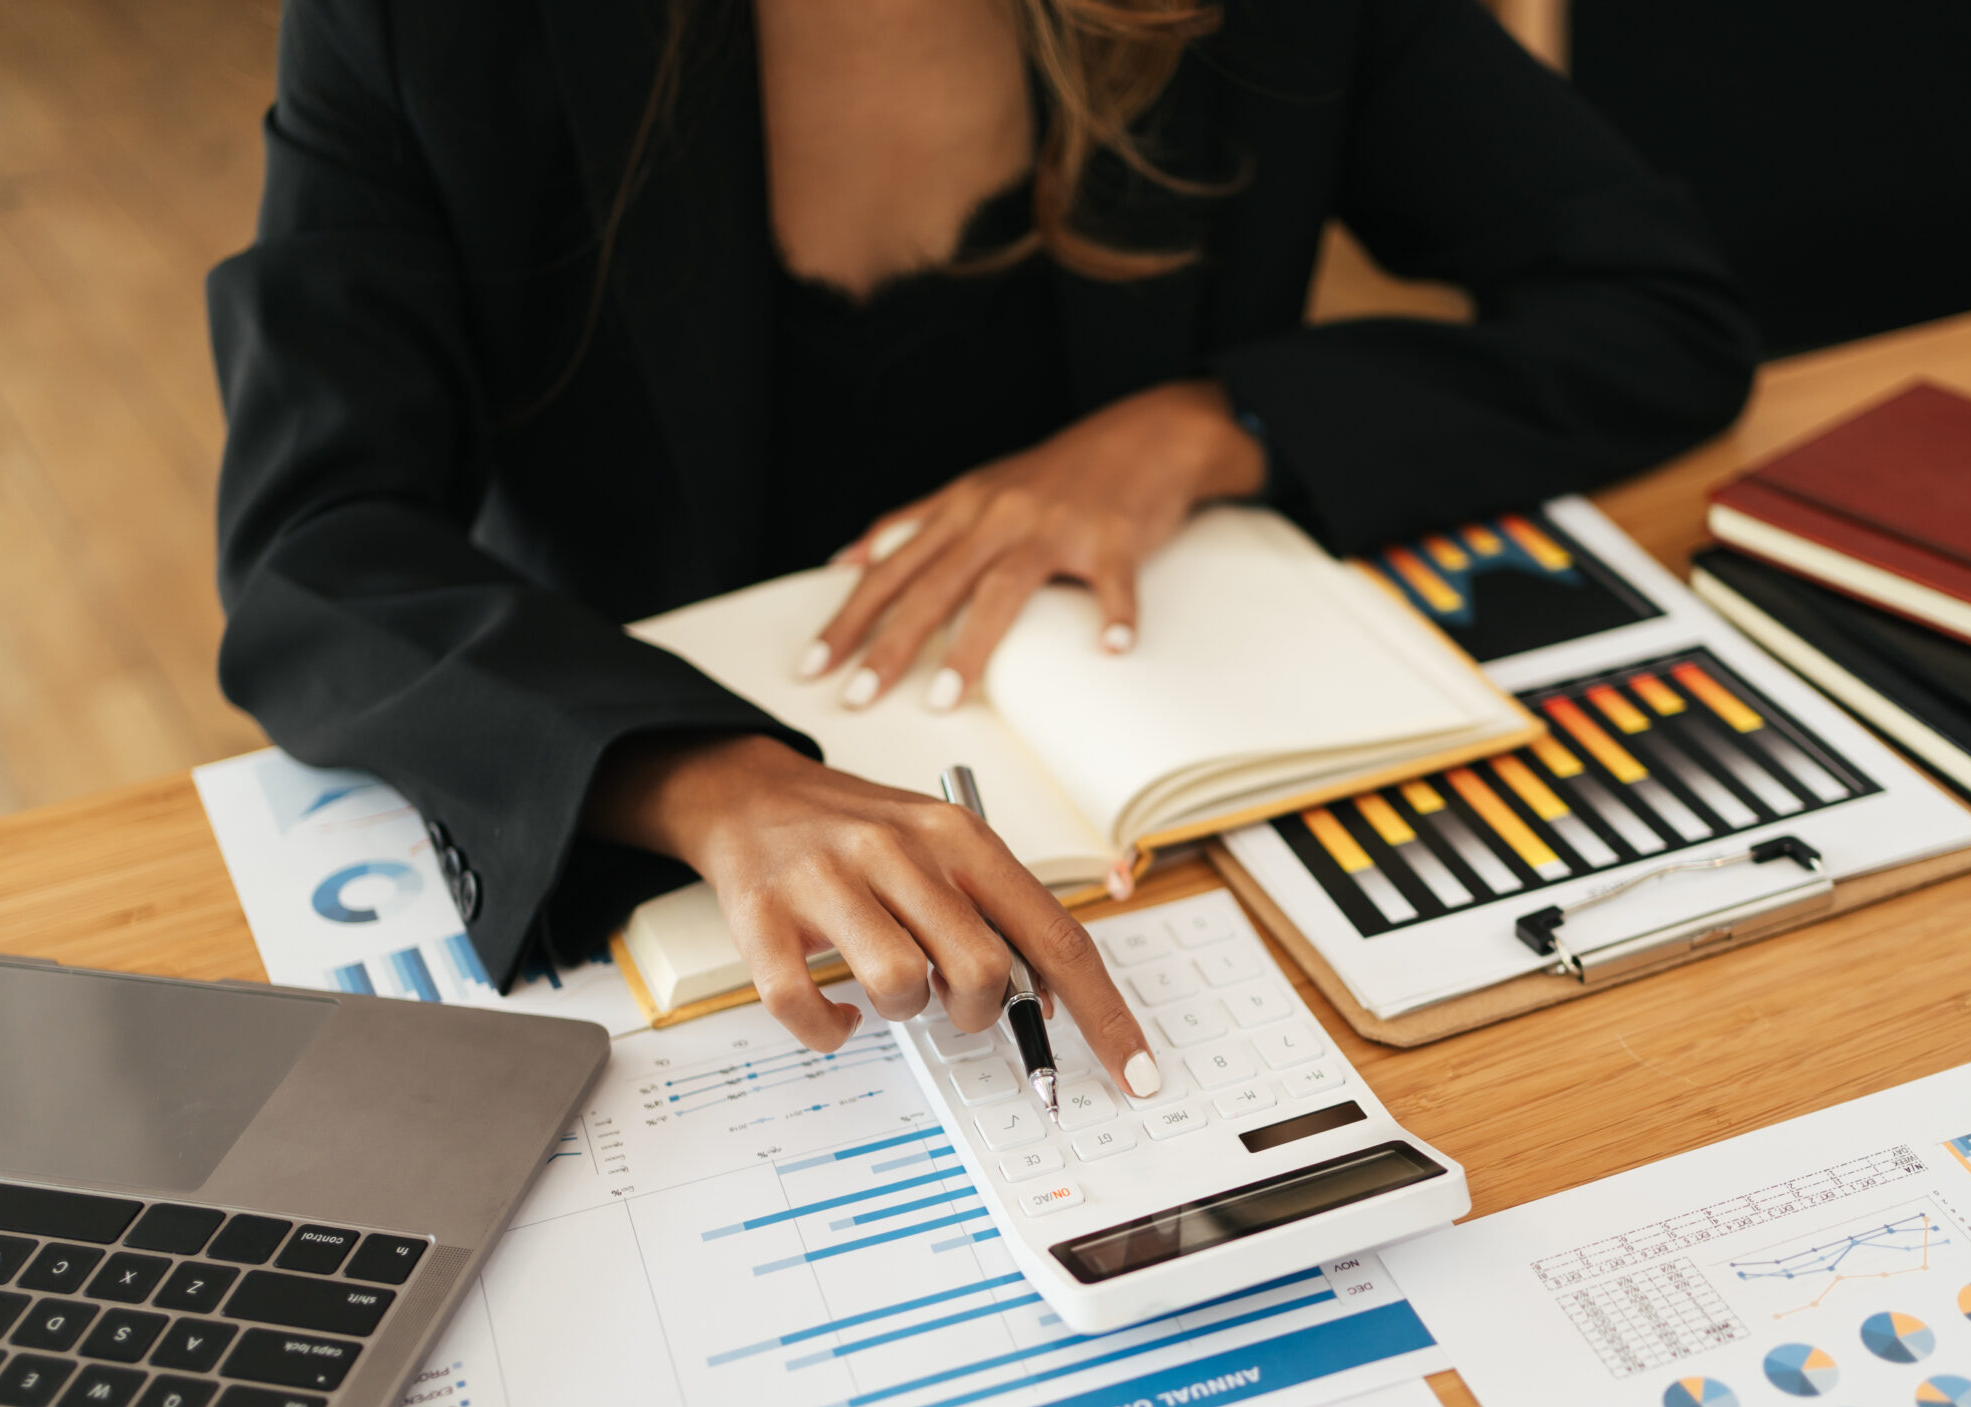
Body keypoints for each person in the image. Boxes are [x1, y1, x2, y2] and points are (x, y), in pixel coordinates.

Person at [208, 0, 1757, 1095]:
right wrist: (702, 777)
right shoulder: (428, 21)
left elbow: (1655, 308)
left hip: (1205, 859)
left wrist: (1214, 424)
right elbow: (315, 536)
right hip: (702, 899)